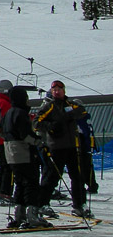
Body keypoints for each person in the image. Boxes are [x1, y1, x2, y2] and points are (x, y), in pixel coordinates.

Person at [33, 80, 90, 218]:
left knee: (77, 177)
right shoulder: (49, 107)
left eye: (59, 89)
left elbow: (82, 111)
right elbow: (36, 123)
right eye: (54, 90)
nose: (57, 91)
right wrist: (51, 127)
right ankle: (42, 204)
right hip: (56, 147)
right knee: (52, 177)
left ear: (64, 90)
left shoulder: (70, 105)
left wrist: (68, 116)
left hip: (72, 146)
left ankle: (79, 204)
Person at [0, 87, 51, 229]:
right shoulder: (20, 113)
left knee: (20, 183)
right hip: (23, 152)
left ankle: (19, 214)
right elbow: (25, 135)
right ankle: (32, 214)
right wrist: (38, 141)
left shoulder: (8, 113)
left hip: (10, 152)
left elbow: (0, 130)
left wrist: (9, 139)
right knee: (31, 182)